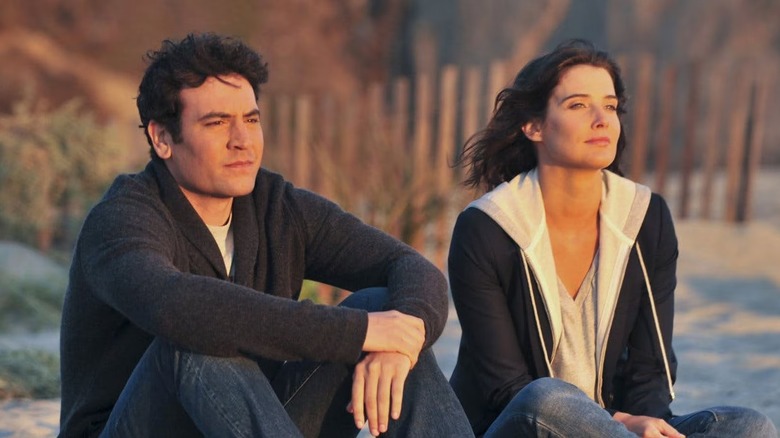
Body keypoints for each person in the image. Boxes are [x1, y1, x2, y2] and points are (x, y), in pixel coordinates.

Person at [59, 33, 472, 438]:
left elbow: (408, 266)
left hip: (244, 421)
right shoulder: (122, 218)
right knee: (195, 340)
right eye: (217, 123)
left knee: (387, 307)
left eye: (251, 120)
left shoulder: (278, 206)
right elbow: (175, 305)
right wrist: (358, 332)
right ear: (162, 138)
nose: (242, 140)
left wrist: (396, 344)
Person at [448, 39, 777, 438]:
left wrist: (642, 420)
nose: (601, 119)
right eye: (578, 105)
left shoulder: (644, 217)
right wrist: (616, 421)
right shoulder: (486, 228)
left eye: (610, 105)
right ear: (533, 126)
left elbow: (651, 367)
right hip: (518, 425)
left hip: (617, 429)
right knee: (547, 400)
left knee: (749, 425)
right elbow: (505, 389)